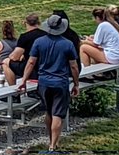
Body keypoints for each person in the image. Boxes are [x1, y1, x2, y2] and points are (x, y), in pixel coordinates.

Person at [18, 14, 81, 152]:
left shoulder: (39, 42)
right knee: (58, 114)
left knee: (48, 111)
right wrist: (76, 84)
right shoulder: (67, 44)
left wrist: (23, 80)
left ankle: (50, 139)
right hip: (60, 82)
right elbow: (74, 66)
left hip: (44, 82)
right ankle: (53, 145)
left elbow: (31, 62)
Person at [1, 13, 46, 85]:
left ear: (25, 23)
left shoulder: (25, 37)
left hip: (32, 70)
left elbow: (14, 57)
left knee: (5, 62)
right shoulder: (46, 34)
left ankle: (14, 92)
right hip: (46, 67)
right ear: (39, 22)